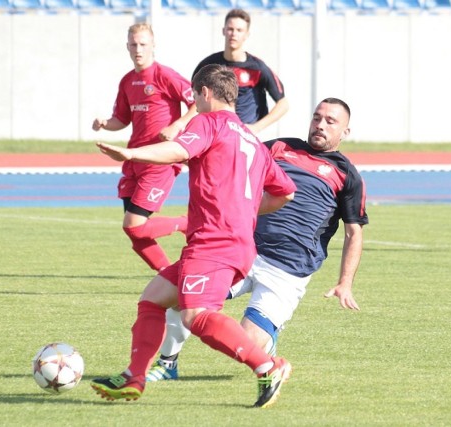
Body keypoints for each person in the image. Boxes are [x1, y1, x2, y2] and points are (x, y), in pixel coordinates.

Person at [90, 64, 297, 408]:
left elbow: (178, 150)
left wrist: (131, 153)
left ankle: (267, 365)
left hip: (214, 241)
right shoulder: (254, 142)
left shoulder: (208, 122)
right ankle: (134, 376)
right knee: (153, 298)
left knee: (195, 316)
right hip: (228, 241)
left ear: (204, 93)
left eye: (196, 97)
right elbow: (285, 192)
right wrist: (244, 211)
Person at [145, 97, 368, 384]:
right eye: (317, 117)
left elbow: (354, 232)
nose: (320, 125)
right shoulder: (279, 147)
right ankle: (167, 363)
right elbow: (237, 165)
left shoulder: (347, 175)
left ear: (345, 132)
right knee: (178, 296)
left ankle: (268, 349)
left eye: (330, 121)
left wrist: (345, 282)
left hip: (287, 271)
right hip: (242, 250)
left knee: (247, 340)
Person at [93, 23, 198, 271]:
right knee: (135, 233)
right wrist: (104, 123)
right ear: (127, 46)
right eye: (133, 44)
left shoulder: (165, 75)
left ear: (153, 46)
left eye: (142, 44)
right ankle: (167, 274)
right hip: (134, 161)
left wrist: (178, 125)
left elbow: (198, 103)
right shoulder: (128, 81)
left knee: (133, 225)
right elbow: (122, 119)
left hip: (159, 160)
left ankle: (186, 223)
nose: (138, 49)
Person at [193, 8, 288, 135]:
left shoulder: (257, 67)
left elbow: (283, 104)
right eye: (230, 29)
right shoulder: (208, 65)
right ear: (223, 31)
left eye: (239, 30)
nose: (234, 34)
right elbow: (195, 98)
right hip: (215, 133)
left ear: (247, 34)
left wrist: (257, 127)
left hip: (245, 135)